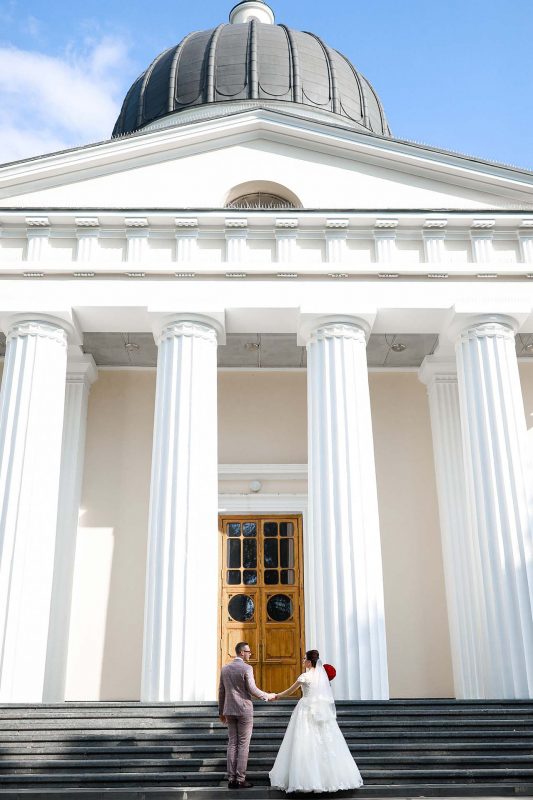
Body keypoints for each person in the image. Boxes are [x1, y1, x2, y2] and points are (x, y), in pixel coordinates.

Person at [269, 649, 363, 793]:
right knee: (325, 741)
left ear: (308, 662)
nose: (302, 661)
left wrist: (277, 696)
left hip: (305, 709)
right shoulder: (322, 677)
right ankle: (329, 779)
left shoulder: (305, 676)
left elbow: (290, 690)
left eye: (304, 659)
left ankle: (305, 779)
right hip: (320, 710)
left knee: (304, 740)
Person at [219, 641, 276, 789]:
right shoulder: (247, 668)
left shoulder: (225, 669)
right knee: (243, 745)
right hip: (244, 710)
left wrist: (221, 711)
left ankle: (231, 779)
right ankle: (240, 779)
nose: (250, 654)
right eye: (248, 651)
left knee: (232, 743)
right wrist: (267, 696)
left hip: (229, 710)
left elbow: (221, 691)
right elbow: (252, 689)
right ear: (241, 652)